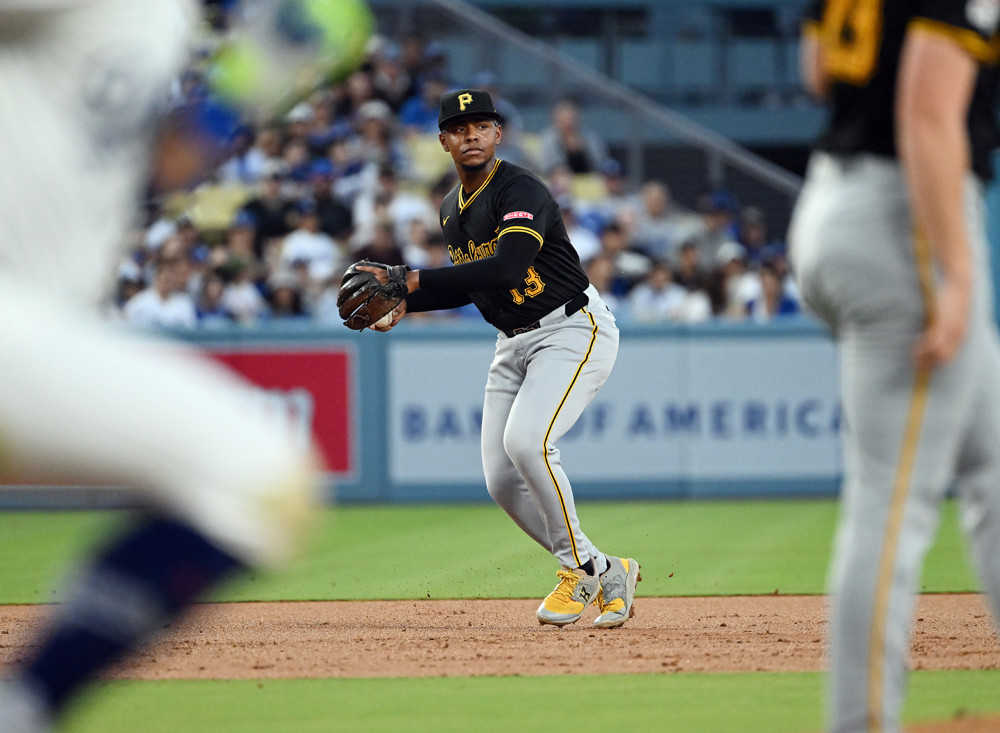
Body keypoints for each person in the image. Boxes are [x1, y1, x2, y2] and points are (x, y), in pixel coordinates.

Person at [0, 1, 326, 730]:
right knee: (254, 472)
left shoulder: (162, 15)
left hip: (34, 327)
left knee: (259, 480)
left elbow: (157, 170)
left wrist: (251, 82)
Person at [788, 3, 1000, 732]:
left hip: (828, 202)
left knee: (993, 467)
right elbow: (926, 111)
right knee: (892, 499)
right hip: (904, 211)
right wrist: (960, 275)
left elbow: (816, 70)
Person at [362, 89, 640, 628]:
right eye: (459, 127)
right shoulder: (449, 210)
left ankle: (576, 574)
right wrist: (408, 301)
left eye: (482, 125)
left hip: (570, 328)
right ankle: (604, 569)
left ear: (497, 135)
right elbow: (472, 285)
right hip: (511, 341)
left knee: (527, 443)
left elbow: (506, 268)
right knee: (500, 477)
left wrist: (411, 280)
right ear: (442, 140)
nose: (471, 135)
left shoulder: (521, 188)